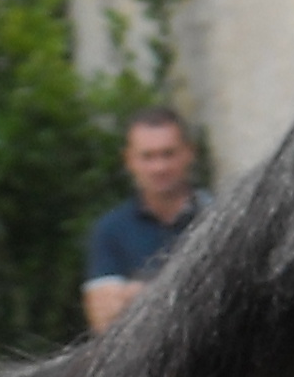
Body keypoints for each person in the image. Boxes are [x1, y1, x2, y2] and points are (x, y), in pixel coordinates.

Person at [82, 107, 210, 332]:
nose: (159, 167)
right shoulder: (110, 230)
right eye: (147, 156)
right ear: (129, 160)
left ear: (189, 153)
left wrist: (137, 294)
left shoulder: (216, 217)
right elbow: (103, 319)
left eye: (168, 154)